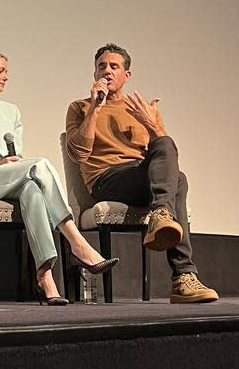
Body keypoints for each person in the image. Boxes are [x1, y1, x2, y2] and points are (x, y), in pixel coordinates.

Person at [0, 50, 117, 305]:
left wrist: (8, 164)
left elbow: (18, 157)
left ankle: (46, 278)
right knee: (41, 165)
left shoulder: (11, 112)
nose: (6, 77)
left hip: (8, 179)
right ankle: (77, 242)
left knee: (33, 189)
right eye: (1, 70)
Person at [65, 43, 219, 304]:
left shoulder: (139, 108)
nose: (107, 71)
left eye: (114, 66)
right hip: (107, 179)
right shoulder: (80, 107)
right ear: (94, 74)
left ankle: (163, 218)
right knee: (178, 181)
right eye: (102, 66)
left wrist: (152, 123)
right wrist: (95, 108)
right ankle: (183, 275)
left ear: (127, 75)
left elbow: (165, 154)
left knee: (171, 158)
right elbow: (78, 153)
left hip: (141, 176)